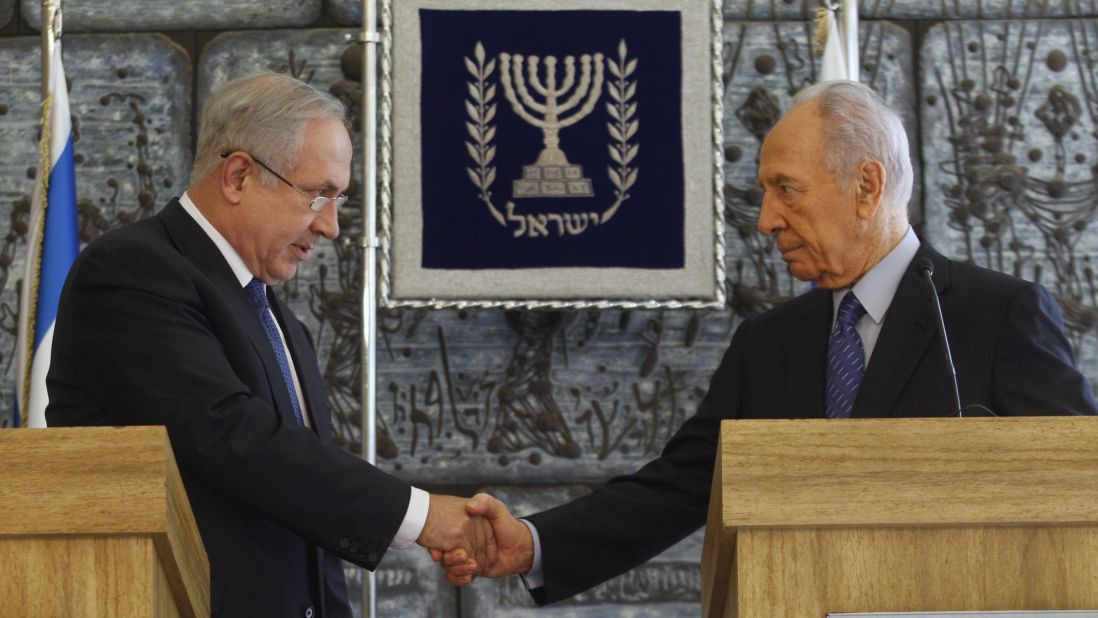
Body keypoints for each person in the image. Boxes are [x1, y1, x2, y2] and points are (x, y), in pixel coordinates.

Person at [436, 79, 1098, 603]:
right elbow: (680, 487)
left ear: (866, 187)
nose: (765, 220)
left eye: (786, 190)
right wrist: (532, 542)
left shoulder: (995, 315)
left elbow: (1081, 489)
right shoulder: (771, 342)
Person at [46, 72, 495, 617]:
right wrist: (423, 518)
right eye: (318, 194)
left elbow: (297, 502)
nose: (331, 225)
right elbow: (232, 436)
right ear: (238, 175)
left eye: (338, 199)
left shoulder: (275, 313)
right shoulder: (131, 273)